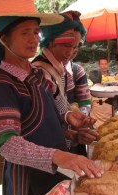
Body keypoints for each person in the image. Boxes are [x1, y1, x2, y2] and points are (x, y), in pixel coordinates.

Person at [0, 0, 103, 195]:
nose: (33, 39)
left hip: (55, 177)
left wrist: (70, 124)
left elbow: (53, 108)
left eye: (36, 32)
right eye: (24, 33)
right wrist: (59, 156)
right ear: (3, 38)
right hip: (28, 184)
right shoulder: (1, 86)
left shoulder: (37, 75)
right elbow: (8, 145)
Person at [33, 13, 96, 156]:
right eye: (66, 45)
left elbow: (56, 112)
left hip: (61, 149)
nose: (71, 52)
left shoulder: (57, 70)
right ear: (50, 41)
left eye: (75, 46)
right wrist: (70, 130)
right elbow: (40, 122)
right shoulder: (40, 72)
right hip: (47, 156)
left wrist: (71, 125)